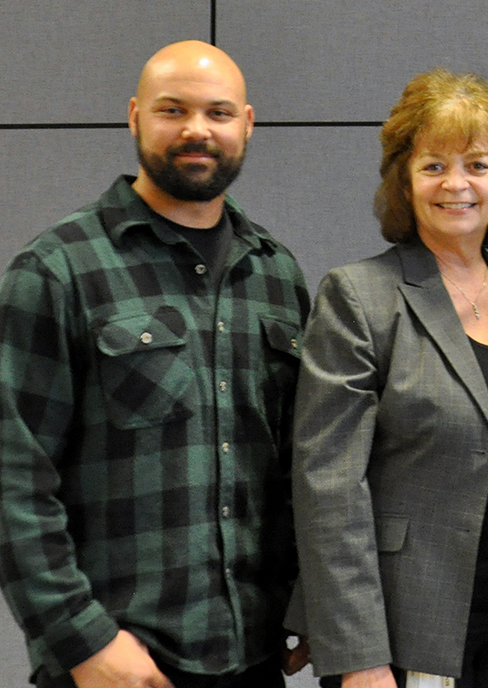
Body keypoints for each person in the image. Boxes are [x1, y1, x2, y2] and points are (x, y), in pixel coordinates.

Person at [0, 41, 311, 687]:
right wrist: (82, 642)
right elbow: (12, 480)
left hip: (254, 658)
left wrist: (308, 604)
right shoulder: (58, 271)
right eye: (174, 110)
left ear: (247, 124)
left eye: (218, 113)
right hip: (113, 664)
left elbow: (298, 470)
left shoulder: (276, 276)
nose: (197, 130)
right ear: (135, 115)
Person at [288, 69, 488, 688]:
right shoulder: (360, 296)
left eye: (477, 165)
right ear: (405, 179)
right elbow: (329, 487)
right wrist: (358, 654)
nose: (456, 184)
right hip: (404, 636)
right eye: (433, 166)